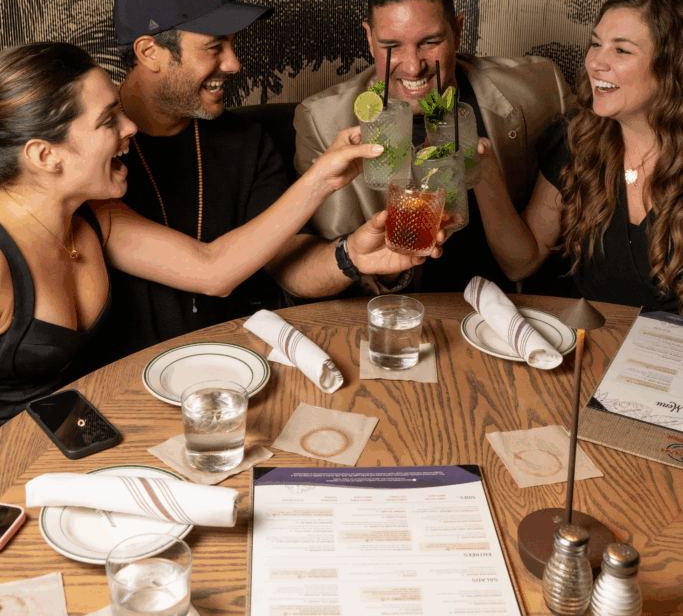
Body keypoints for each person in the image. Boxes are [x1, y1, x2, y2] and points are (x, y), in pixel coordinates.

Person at [0, 42, 436, 424]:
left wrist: (324, 180)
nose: (129, 127)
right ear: (44, 155)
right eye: (107, 120)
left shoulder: (97, 216)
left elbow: (214, 270)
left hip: (79, 430)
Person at [294, 0, 573, 292]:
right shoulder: (321, 121)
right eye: (391, 46)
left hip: (515, 306)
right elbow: (326, 267)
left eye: (430, 42)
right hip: (398, 309)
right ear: (369, 39)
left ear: (457, 31)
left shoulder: (541, 87)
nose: (413, 67)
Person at [474, 0, 683, 310]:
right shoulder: (578, 138)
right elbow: (521, 262)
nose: (596, 62)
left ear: (671, 66)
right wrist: (484, 172)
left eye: (621, 50)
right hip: (585, 336)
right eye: (596, 44)